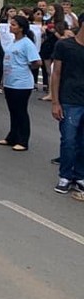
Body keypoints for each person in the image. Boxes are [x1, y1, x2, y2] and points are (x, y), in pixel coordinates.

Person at [0, 15, 41, 151]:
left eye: (14, 25)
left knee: (20, 111)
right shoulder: (13, 42)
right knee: (13, 110)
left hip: (22, 83)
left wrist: (24, 68)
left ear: (21, 28)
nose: (10, 27)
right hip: (10, 81)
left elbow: (37, 62)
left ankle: (23, 140)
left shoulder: (27, 43)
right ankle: (12, 136)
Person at [49, 21, 84, 195]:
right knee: (69, 140)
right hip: (69, 100)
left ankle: (79, 175)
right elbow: (56, 73)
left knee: (82, 141)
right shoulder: (64, 46)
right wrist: (55, 102)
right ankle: (65, 176)